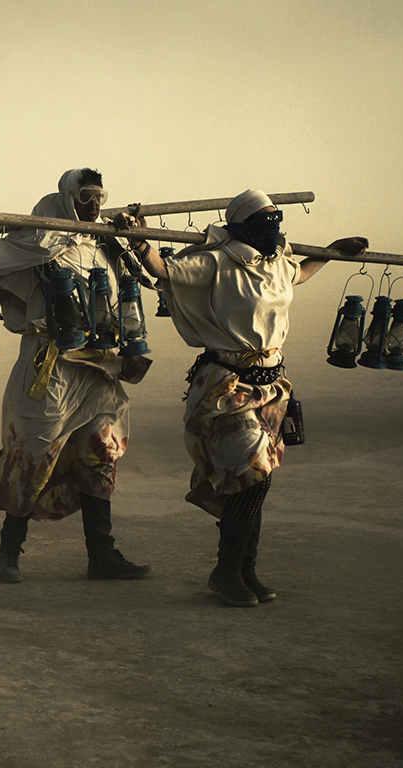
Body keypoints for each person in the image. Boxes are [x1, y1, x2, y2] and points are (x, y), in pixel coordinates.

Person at [123, 189, 368, 606]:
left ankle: (244, 571)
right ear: (241, 224)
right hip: (227, 386)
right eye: (264, 219)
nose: (272, 226)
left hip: (271, 387)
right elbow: (165, 270)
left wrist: (331, 251)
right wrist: (137, 239)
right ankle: (226, 571)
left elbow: (301, 273)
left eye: (276, 218)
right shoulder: (215, 261)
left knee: (255, 480)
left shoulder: (277, 263)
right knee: (254, 477)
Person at [0, 168, 153, 583]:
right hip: (51, 365)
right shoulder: (34, 247)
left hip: (100, 366)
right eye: (85, 197)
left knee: (101, 454)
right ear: (66, 199)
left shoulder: (105, 246)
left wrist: (134, 235)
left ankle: (103, 555)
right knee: (33, 455)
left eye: (100, 196)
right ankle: (8, 552)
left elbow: (147, 278)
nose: (95, 205)